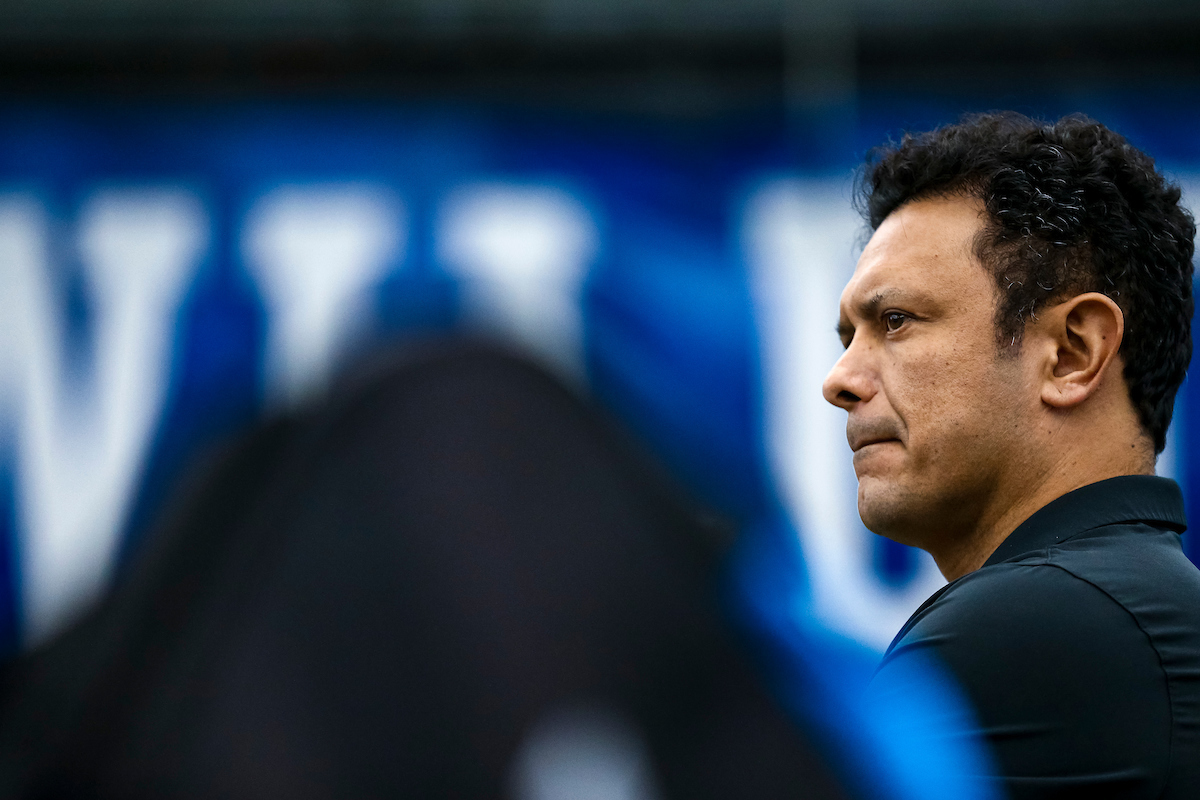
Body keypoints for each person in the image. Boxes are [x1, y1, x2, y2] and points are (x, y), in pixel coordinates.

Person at [822, 111, 1200, 798]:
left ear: (1071, 353)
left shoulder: (1020, 631)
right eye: (847, 336)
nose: (839, 380)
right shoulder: (1135, 613)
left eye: (896, 321)